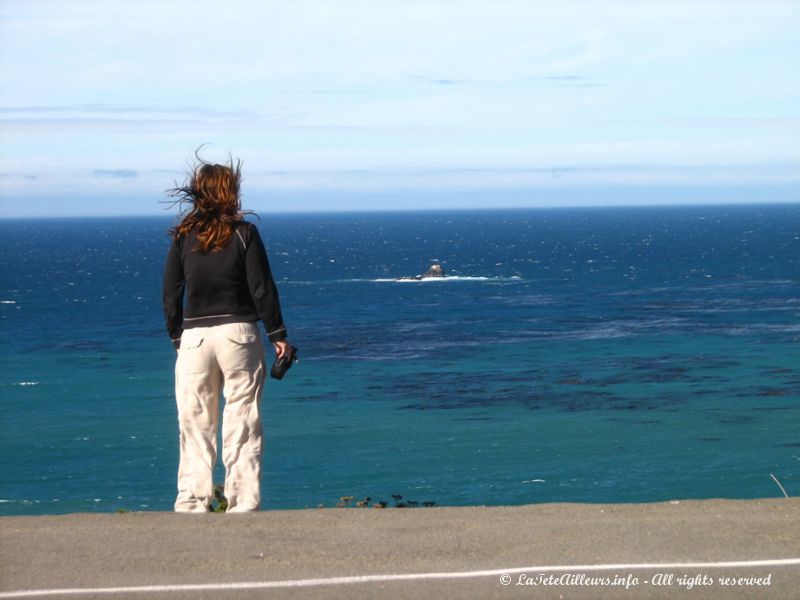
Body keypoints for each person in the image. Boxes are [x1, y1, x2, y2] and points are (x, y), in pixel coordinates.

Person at [162, 157, 290, 513]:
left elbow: (171, 293)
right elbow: (262, 288)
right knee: (242, 416)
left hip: (194, 338)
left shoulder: (183, 237)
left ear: (198, 192)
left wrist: (178, 338)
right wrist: (278, 332)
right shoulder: (244, 233)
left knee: (194, 421)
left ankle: (192, 501)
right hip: (239, 333)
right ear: (229, 191)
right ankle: (242, 500)